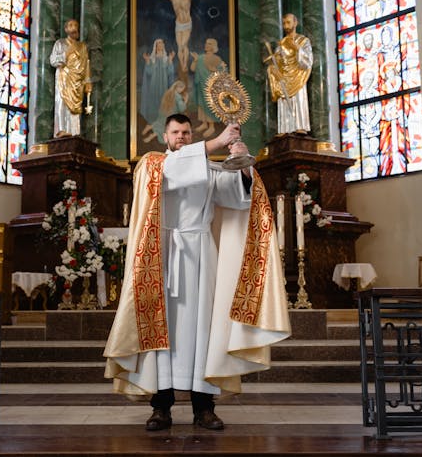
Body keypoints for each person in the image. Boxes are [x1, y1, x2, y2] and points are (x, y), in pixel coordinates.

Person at [104, 113, 290, 432]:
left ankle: (204, 408)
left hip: (202, 253)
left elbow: (237, 198)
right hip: (161, 255)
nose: (181, 137)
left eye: (186, 132)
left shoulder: (204, 167)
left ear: (192, 135)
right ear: (165, 136)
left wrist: (240, 162)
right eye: (175, 132)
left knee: (204, 329)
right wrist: (217, 142)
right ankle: (160, 408)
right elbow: (172, 170)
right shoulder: (152, 164)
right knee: (162, 334)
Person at [140, 0, 219, 73]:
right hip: (179, 24)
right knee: (179, 46)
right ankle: (182, 64)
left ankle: (184, 64)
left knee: (183, 45)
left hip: (187, 24)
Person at [266, 13, 313, 135]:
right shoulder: (282, 44)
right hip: (285, 78)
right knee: (284, 102)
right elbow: (277, 62)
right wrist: (273, 69)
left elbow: (307, 62)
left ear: (295, 23)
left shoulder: (303, 41)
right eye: (284, 23)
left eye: (288, 22)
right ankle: (285, 129)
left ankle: (300, 126)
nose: (286, 26)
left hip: (298, 76)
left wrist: (297, 49)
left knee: (299, 100)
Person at [50, 19, 92, 137]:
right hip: (64, 78)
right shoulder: (60, 43)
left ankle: (74, 132)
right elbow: (53, 60)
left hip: (77, 80)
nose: (73, 28)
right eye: (70, 25)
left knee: (76, 107)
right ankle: (62, 130)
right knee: (62, 102)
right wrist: (66, 53)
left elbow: (86, 64)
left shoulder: (82, 46)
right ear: (66, 29)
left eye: (75, 26)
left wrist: (87, 81)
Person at [190, 38, 226, 138]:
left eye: (209, 44)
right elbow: (192, 69)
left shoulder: (217, 59)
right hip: (200, 84)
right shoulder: (200, 57)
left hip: (210, 86)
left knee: (209, 105)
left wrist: (215, 70)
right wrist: (195, 60)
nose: (206, 45)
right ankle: (204, 124)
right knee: (201, 105)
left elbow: (222, 71)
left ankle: (211, 126)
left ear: (213, 46)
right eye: (206, 43)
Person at [140, 39, 175, 124]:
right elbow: (149, 73)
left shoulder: (166, 59)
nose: (160, 44)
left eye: (162, 43)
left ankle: (163, 122)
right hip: (153, 85)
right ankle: (153, 122)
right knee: (154, 103)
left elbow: (170, 73)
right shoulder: (151, 59)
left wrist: (170, 60)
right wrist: (147, 61)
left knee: (163, 102)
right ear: (155, 46)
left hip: (164, 85)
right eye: (158, 43)